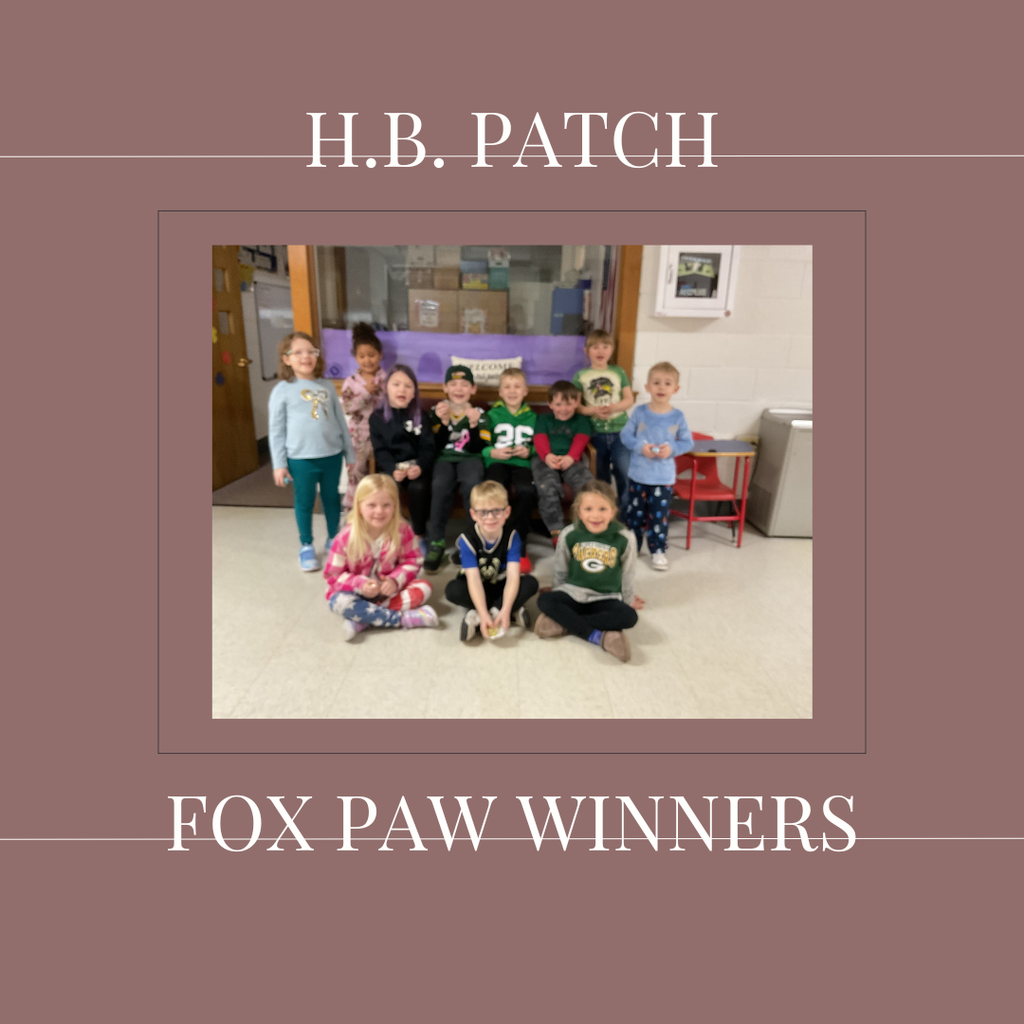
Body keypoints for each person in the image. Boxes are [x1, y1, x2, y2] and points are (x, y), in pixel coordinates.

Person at [269, 331, 355, 572]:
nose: (305, 357)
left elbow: (340, 421)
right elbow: (275, 430)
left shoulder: (326, 385)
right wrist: (279, 463)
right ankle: (306, 545)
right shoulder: (282, 390)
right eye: (298, 352)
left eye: (311, 352)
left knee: (331, 498)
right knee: (305, 501)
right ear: (287, 359)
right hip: (301, 458)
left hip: (332, 454)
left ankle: (332, 539)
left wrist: (349, 454)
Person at [535, 480, 644, 663]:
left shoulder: (625, 538)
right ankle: (599, 636)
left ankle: (564, 624)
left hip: (606, 597)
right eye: (588, 509)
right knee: (545, 600)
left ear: (613, 511)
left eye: (602, 509)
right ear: (579, 511)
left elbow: (628, 572)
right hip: (574, 594)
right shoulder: (569, 533)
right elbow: (561, 567)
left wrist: (628, 599)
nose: (595, 515)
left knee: (629, 616)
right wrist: (557, 590)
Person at [324, 474, 437, 641]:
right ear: (359, 506)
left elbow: (413, 561)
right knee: (339, 602)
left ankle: (363, 619)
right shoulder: (345, 537)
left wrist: (394, 580)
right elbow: (333, 575)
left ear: (395, 506)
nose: (379, 511)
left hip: (389, 591)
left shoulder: (402, 530)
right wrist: (360, 584)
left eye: (386, 505)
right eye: (371, 505)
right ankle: (402, 619)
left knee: (424, 587)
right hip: (355, 593)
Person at [619, 361, 693, 570]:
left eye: (667, 383)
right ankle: (632, 548)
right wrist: (639, 447)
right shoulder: (640, 412)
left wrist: (672, 448)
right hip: (638, 476)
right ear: (647, 387)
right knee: (635, 516)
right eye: (656, 382)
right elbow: (626, 435)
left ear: (675, 389)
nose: (661, 387)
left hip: (663, 479)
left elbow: (686, 442)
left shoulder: (678, 416)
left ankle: (658, 550)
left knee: (659, 517)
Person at [445, 481, 539, 641]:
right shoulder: (467, 540)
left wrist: (504, 608)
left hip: (501, 584)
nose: (490, 518)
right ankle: (494, 612)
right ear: (474, 514)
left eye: (496, 511)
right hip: (477, 585)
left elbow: (513, 577)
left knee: (531, 583)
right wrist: (484, 612)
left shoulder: (512, 537)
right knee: (452, 590)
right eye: (483, 512)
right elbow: (473, 579)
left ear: (507, 512)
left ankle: (493, 612)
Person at [423, 365, 487, 573]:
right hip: (445, 458)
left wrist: (474, 426)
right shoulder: (437, 411)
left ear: (473, 389)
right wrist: (442, 423)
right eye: (453, 384)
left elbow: (479, 447)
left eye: (464, 384)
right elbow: (435, 445)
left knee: (473, 484)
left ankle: (473, 540)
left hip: (471, 457)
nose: (459, 389)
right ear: (445, 387)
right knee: (440, 485)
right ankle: (436, 541)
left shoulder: (480, 413)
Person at [369, 364, 434, 543]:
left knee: (418, 488)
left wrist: (420, 467)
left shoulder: (421, 416)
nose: (402, 390)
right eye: (396, 384)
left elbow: (428, 447)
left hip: (417, 468)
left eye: (408, 386)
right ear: (386, 388)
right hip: (391, 468)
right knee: (389, 489)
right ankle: (391, 534)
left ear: (414, 392)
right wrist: (392, 470)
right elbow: (380, 450)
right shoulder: (377, 418)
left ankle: (419, 534)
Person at [573, 328, 635, 513]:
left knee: (625, 471)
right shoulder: (580, 376)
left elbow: (629, 399)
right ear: (586, 351)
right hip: (596, 433)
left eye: (605, 347)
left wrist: (613, 408)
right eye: (595, 347)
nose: (600, 351)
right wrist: (592, 410)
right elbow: (577, 406)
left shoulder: (618, 372)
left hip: (621, 432)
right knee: (600, 475)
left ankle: (625, 513)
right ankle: (604, 510)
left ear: (612, 349)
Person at [482, 367, 537, 573]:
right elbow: (481, 445)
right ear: (500, 391)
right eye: (507, 387)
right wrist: (492, 452)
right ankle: (493, 540)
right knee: (495, 491)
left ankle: (520, 543)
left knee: (526, 490)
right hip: (498, 463)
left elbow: (539, 445)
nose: (512, 391)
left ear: (525, 391)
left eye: (517, 386)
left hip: (522, 464)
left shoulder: (533, 417)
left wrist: (528, 451)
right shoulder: (491, 415)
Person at [531, 380, 593, 548]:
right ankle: (556, 531)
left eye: (569, 404)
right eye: (558, 404)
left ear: (576, 403)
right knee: (547, 486)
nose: (563, 409)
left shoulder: (581, 420)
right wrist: (547, 456)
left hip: (571, 460)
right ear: (550, 404)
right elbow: (539, 439)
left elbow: (581, 439)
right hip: (545, 460)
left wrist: (571, 457)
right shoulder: (543, 419)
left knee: (588, 486)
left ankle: (584, 527)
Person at [339, 322, 387, 514]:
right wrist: (366, 393)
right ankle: (354, 507)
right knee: (357, 469)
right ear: (356, 357)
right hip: (359, 434)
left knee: (381, 471)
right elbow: (348, 407)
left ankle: (379, 506)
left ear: (380, 355)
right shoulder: (351, 382)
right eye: (362, 356)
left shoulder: (387, 378)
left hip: (382, 433)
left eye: (372, 355)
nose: (368, 360)